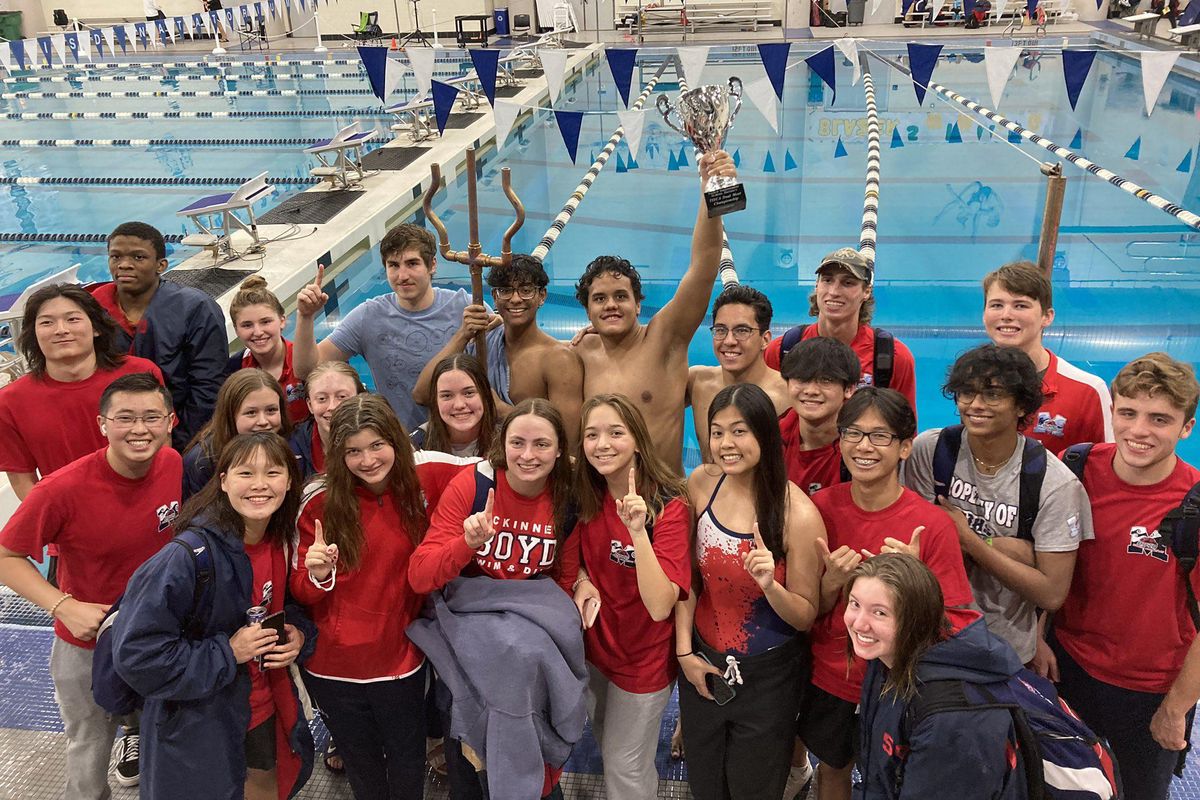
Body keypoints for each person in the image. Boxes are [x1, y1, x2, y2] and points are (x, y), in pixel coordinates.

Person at [0, 372, 181, 797]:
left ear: (170, 422)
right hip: (89, 641)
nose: (140, 429)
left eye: (151, 418)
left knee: (166, 734)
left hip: (157, 634)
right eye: (125, 418)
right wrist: (63, 605)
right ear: (102, 425)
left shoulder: (171, 464)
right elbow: (6, 557)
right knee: (90, 744)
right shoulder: (61, 489)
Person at [113, 432, 315, 800]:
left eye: (272, 473)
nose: (260, 485)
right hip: (200, 718)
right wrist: (228, 651)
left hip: (262, 707)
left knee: (268, 785)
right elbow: (137, 655)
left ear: (289, 481)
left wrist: (298, 634)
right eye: (245, 474)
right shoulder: (186, 558)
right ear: (223, 481)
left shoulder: (278, 541)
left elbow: (291, 607)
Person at [802, 387, 975, 800]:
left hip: (901, 685)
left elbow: (954, 622)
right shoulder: (818, 510)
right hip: (834, 677)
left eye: (880, 436)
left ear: (904, 447)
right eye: (853, 434)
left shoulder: (930, 525)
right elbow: (806, 611)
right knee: (833, 769)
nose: (864, 447)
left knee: (901, 782)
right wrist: (829, 583)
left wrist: (916, 581)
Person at [293, 394, 468, 800]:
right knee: (361, 764)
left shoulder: (427, 475)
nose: (368, 460)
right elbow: (300, 591)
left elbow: (498, 465)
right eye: (353, 451)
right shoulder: (318, 501)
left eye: (376, 445)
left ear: (396, 440)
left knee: (407, 760)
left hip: (400, 662)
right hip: (333, 667)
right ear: (339, 454)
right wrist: (318, 575)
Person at [1047, 353, 1200, 800]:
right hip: (1068, 667)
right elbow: (1051, 562)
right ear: (1112, 413)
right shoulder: (1074, 466)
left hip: (1150, 690)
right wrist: (1039, 637)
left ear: (1186, 428)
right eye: (1128, 413)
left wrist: (1176, 708)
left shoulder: (1193, 506)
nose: (1139, 430)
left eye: (1159, 419)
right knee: (1064, 785)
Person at [409, 398, 575, 800]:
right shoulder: (474, 486)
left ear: (559, 450)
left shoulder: (567, 495)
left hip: (529, 629)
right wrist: (466, 544)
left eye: (541, 445)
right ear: (503, 444)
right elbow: (420, 575)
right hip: (470, 618)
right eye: (518, 442)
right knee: (467, 741)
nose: (528, 455)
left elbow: (565, 576)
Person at [674, 383, 824, 800]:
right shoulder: (702, 484)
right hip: (703, 663)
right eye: (717, 432)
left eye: (739, 431)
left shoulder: (799, 515)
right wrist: (685, 654)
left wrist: (771, 586)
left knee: (753, 788)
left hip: (769, 677)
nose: (726, 444)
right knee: (705, 785)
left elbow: (805, 615)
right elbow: (688, 577)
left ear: (764, 435)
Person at [903, 344, 1092, 664]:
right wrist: (1012, 550)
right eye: (967, 393)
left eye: (992, 395)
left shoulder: (1054, 483)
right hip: (928, 637)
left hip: (1004, 651)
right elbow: (919, 548)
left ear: (1021, 406)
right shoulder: (931, 450)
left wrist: (972, 542)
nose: (975, 405)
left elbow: (1051, 594)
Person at [561, 394, 691, 800]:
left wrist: (638, 532)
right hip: (597, 651)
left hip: (644, 662)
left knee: (625, 766)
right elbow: (571, 559)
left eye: (616, 433)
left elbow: (660, 605)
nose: (603, 444)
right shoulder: (584, 494)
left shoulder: (668, 506)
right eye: (591, 435)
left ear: (637, 439)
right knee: (608, 746)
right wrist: (582, 578)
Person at [573, 151, 735, 475]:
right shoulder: (580, 353)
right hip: (604, 504)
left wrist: (711, 188)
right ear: (587, 310)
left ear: (638, 303)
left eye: (621, 296)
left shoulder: (665, 339)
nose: (611, 305)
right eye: (600, 299)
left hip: (661, 501)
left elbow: (703, 268)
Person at [847, 554, 1026, 800]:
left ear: (916, 620)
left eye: (879, 613)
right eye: (854, 604)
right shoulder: (886, 657)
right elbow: (876, 772)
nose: (859, 623)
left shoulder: (953, 719)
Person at [294, 224, 475, 431]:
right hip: (403, 443)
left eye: (412, 263)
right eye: (394, 265)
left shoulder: (464, 306)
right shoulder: (369, 316)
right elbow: (307, 370)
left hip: (465, 434)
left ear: (432, 265)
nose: (402, 275)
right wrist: (305, 317)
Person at [0, 283, 162, 502]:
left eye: (73, 319)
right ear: (33, 333)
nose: (61, 330)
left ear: (95, 327)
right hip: (70, 520)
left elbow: (162, 446)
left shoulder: (141, 373)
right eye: (47, 322)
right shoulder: (11, 402)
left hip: (145, 503)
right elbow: (23, 480)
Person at [414, 255, 583, 448]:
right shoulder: (482, 344)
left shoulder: (559, 360)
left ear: (542, 296)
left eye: (526, 290)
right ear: (494, 297)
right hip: (480, 466)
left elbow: (566, 441)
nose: (516, 299)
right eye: (505, 291)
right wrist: (462, 335)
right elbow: (422, 394)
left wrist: (502, 410)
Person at [91, 221, 228, 450]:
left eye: (138, 257)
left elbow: (209, 387)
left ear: (161, 265)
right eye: (115, 257)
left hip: (182, 437)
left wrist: (176, 443)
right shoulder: (93, 311)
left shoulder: (196, 309)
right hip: (115, 439)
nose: (124, 265)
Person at [764, 248, 917, 413]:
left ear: (866, 291)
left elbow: (905, 431)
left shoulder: (893, 357)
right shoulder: (782, 350)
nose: (834, 292)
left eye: (848, 283)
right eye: (827, 280)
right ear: (817, 285)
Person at [981, 261, 1112, 453]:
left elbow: (1108, 466)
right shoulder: (973, 382)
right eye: (997, 305)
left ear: (1047, 317)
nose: (1006, 315)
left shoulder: (1088, 391)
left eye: (1020, 305)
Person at [687, 285, 789, 462]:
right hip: (712, 488)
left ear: (765, 339)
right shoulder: (697, 382)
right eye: (720, 330)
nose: (729, 341)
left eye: (742, 331)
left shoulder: (789, 394)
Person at [182, 369, 293, 500]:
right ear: (230, 415)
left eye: (271, 410)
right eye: (251, 412)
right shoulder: (201, 462)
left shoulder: (291, 445)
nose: (263, 421)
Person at [779, 336, 860, 496]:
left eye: (826, 381)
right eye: (802, 379)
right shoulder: (767, 440)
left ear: (849, 389)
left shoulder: (862, 448)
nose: (811, 391)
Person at [228, 276, 308, 425]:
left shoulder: (305, 360)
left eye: (265, 322)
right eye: (247, 325)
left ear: (282, 321)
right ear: (236, 330)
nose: (258, 332)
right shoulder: (234, 369)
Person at [411, 354, 497, 458]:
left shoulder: (506, 440)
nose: (459, 405)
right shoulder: (416, 444)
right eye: (447, 395)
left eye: (468, 393)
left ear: (485, 395)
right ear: (435, 400)